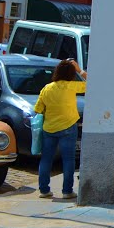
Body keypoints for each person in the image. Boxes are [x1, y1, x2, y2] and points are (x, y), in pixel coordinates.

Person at [34, 58, 87, 200]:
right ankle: (67, 191)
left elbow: (38, 109)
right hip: (68, 126)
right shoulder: (71, 86)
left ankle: (44, 190)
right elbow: (92, 83)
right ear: (71, 73)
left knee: (46, 159)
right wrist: (79, 70)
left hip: (49, 128)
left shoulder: (47, 88)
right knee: (68, 160)